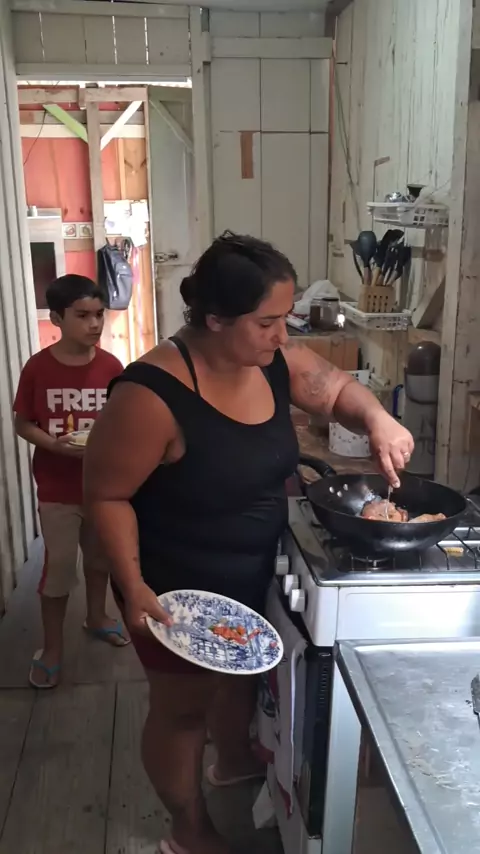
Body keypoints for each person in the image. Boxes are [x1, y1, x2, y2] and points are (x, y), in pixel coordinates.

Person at [84, 233, 413, 854]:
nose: (283, 336)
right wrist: (131, 586)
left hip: (254, 568)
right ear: (214, 319)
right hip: (176, 590)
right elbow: (105, 496)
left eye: (285, 318)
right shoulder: (150, 395)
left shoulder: (272, 361)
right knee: (182, 711)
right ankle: (189, 831)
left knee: (237, 681)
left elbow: (334, 388)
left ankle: (233, 762)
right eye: (267, 322)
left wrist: (377, 417)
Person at [14, 274, 130, 689]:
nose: (95, 324)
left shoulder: (112, 367)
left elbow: (122, 421)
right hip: (57, 489)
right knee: (60, 567)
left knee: (100, 560)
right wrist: (54, 446)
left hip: (102, 488)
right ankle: (52, 648)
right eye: (82, 316)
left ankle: (97, 616)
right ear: (57, 318)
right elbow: (23, 423)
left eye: (99, 314)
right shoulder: (38, 367)